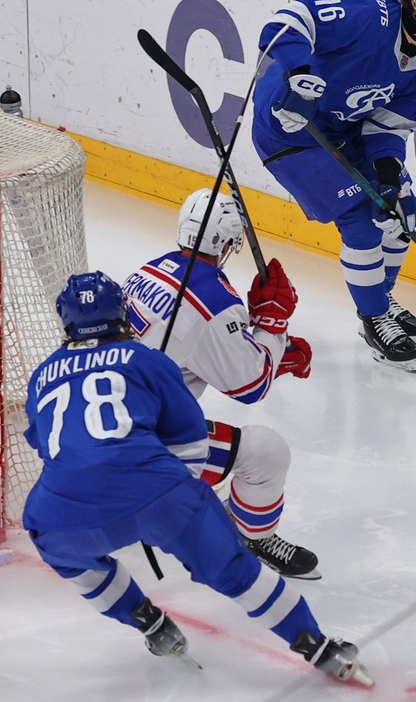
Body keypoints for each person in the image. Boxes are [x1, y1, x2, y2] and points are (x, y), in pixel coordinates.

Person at [22, 271, 373, 686]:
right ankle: (319, 647)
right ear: (121, 313)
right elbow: (190, 445)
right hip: (160, 493)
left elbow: (49, 448)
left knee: (69, 557)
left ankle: (150, 625)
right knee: (233, 570)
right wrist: (173, 511)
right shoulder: (147, 360)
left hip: (60, 510)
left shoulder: (42, 375)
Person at [250, 0, 416, 373]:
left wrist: (389, 182)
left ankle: (380, 299)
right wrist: (298, 73)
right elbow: (288, 19)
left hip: (345, 132)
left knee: (404, 211)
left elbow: (386, 128)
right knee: (360, 220)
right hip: (289, 129)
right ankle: (373, 321)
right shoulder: (368, 18)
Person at [122, 188, 319, 580]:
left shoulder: (148, 271)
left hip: (92, 427)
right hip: (137, 455)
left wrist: (267, 348)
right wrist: (272, 325)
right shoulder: (215, 302)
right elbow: (251, 387)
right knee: (266, 453)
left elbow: (199, 352)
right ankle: (253, 538)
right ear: (228, 242)